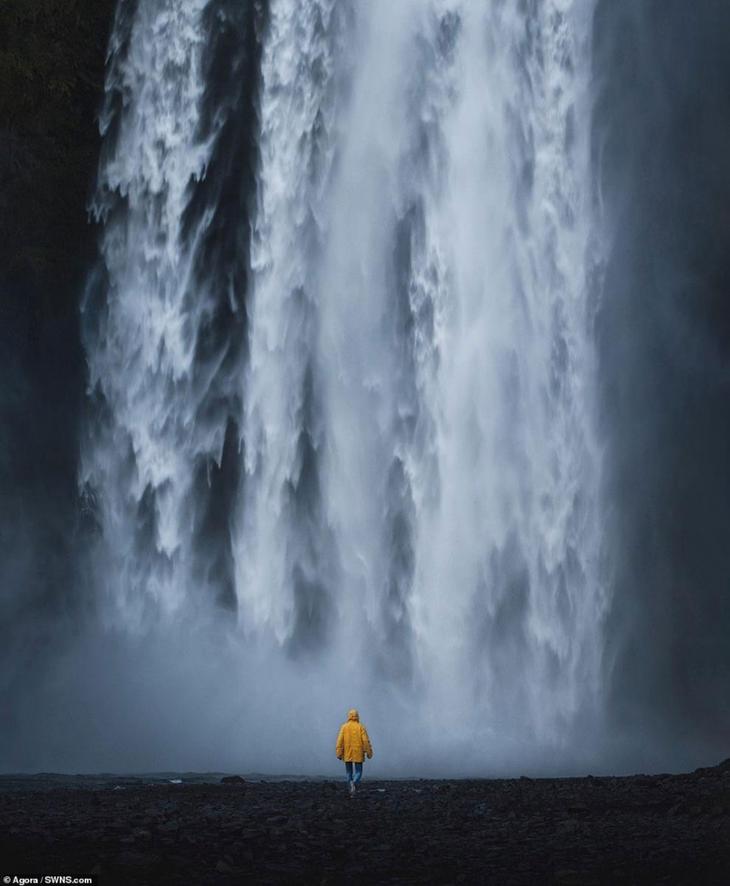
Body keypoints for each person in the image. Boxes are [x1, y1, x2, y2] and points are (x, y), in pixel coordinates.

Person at [335, 708, 373, 795]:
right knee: (358, 771)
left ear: (349, 716)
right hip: (358, 751)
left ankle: (350, 786)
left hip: (347, 752)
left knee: (349, 771)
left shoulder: (344, 727)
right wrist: (369, 751)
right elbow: (365, 741)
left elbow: (339, 740)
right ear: (357, 716)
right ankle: (354, 783)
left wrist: (338, 752)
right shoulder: (361, 727)